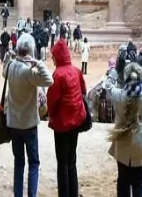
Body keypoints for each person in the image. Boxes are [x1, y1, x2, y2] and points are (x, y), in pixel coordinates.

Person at [4, 33, 54, 197]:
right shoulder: (28, 73)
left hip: (13, 123)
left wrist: (9, 57)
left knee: (19, 163)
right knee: (34, 162)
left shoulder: (11, 67)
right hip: (29, 124)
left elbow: (4, 71)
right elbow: (49, 81)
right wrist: (38, 63)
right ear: (31, 51)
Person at [47, 40, 88, 197]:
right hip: (77, 120)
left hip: (62, 123)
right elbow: (83, 90)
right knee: (72, 160)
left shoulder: (57, 75)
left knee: (62, 163)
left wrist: (51, 114)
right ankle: (73, 192)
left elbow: (52, 100)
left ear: (57, 56)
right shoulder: (76, 71)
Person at [108, 62, 142, 197]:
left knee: (123, 182)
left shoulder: (119, 96)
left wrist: (115, 70)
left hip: (122, 145)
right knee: (139, 183)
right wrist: (139, 71)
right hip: (140, 146)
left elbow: (107, 85)